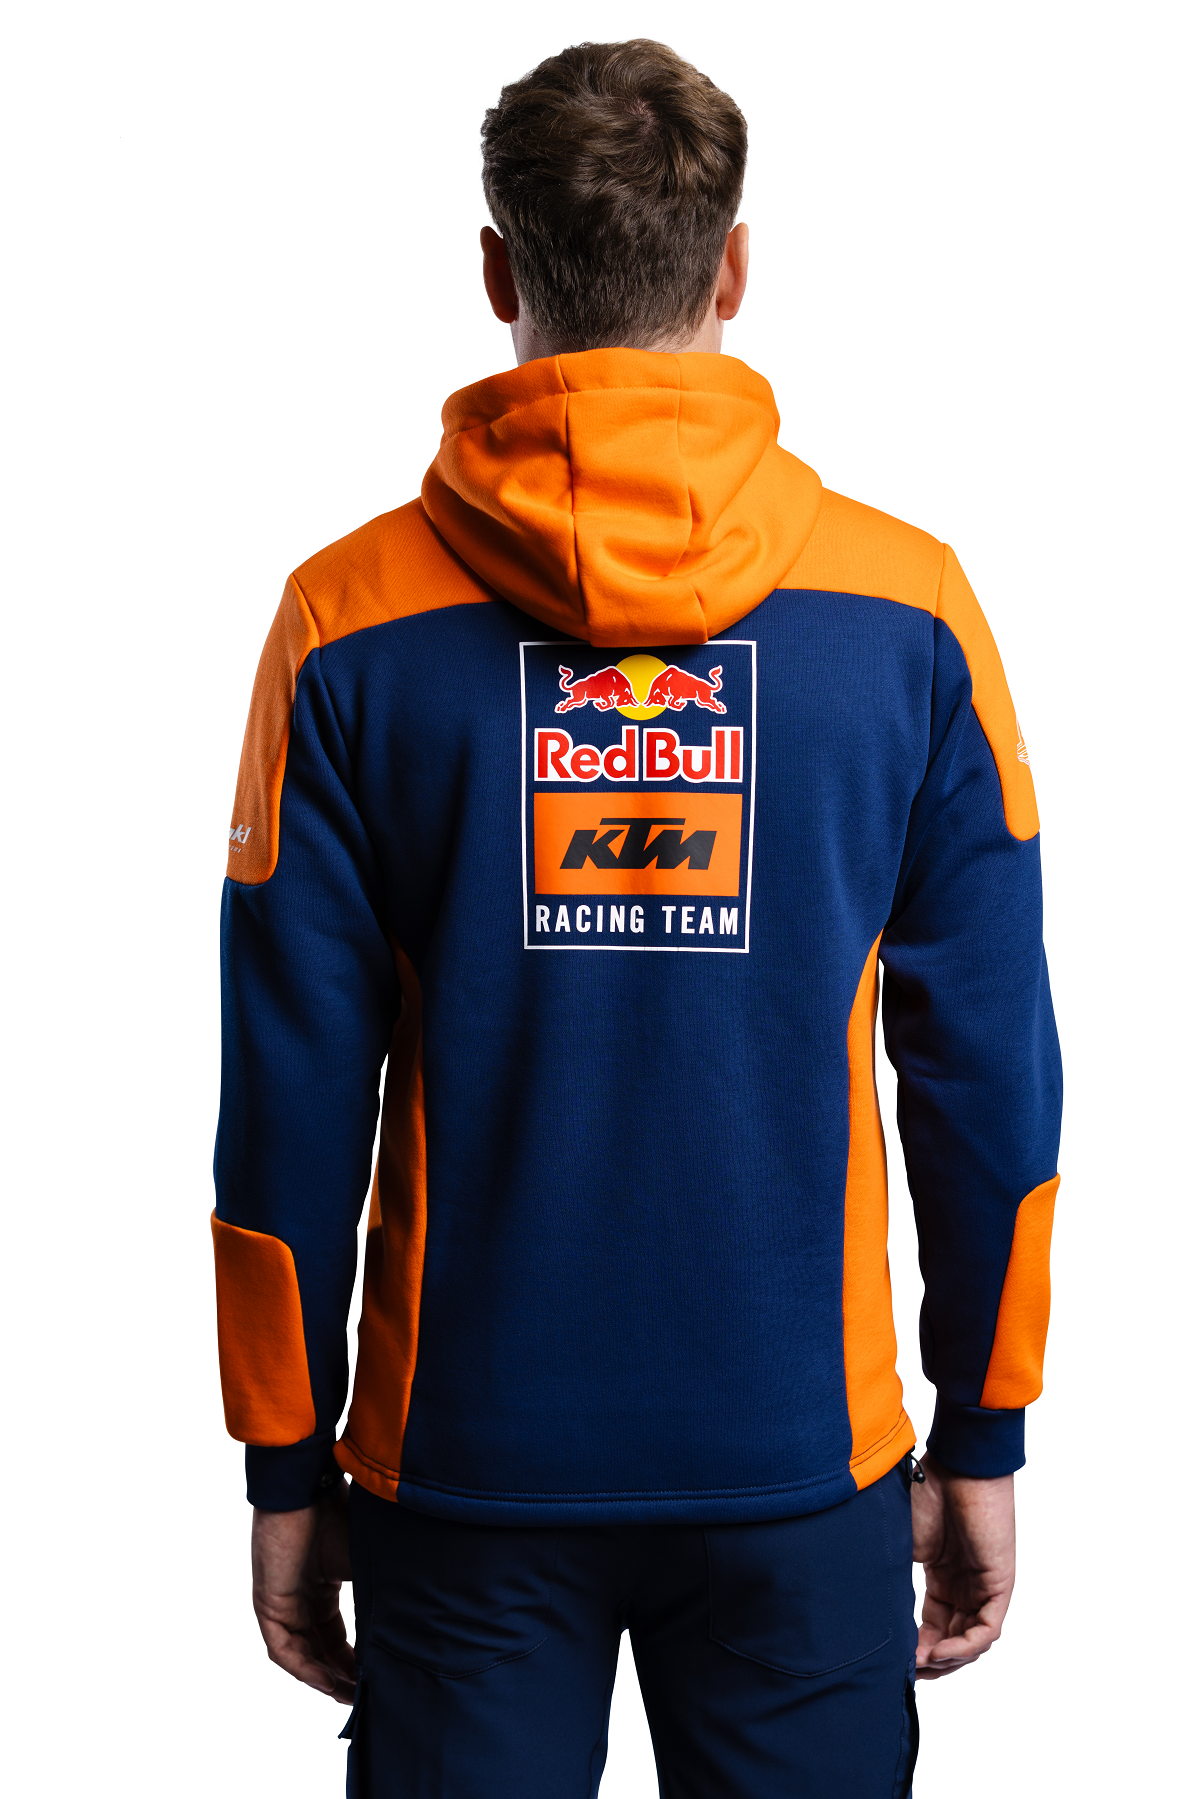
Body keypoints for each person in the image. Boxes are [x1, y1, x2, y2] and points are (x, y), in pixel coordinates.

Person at [213, 38, 1061, 1798]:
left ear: (498, 271)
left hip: (462, 1470)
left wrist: (284, 1468)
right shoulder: (911, 614)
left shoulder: (345, 625)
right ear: (733, 267)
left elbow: (286, 1095)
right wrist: (983, 1429)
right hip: (803, 1463)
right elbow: (989, 1072)